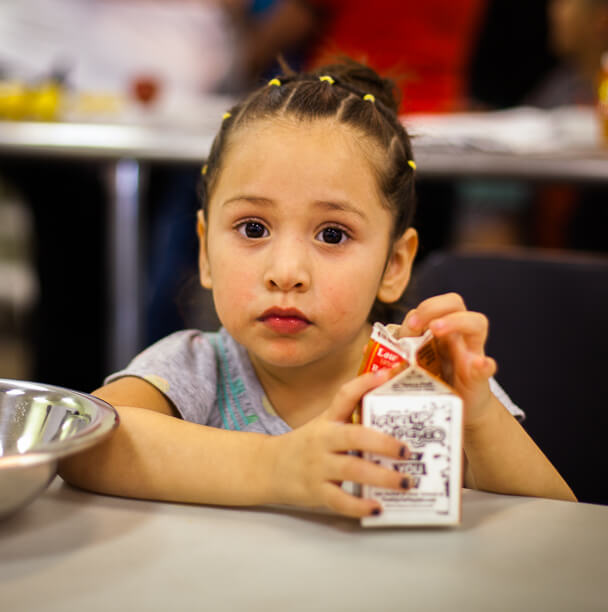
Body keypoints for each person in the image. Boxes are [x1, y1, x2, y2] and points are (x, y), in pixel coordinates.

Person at [58, 59, 576, 517]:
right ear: (204, 250)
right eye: (253, 228)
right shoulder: (195, 370)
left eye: (333, 234)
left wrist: (479, 415)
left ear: (394, 263)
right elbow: (85, 443)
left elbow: (562, 530)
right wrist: (279, 468)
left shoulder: (423, 374)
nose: (286, 271)